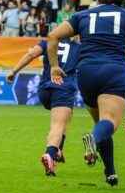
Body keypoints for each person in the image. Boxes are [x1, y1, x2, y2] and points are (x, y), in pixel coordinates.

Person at [46, 0, 125, 187]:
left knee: (101, 123)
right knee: (108, 122)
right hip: (113, 70)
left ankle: (110, 172)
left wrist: (54, 66)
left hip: (86, 73)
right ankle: (92, 139)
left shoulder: (82, 15)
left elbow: (53, 36)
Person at [6, 38, 81, 176]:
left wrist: (14, 71)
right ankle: (50, 154)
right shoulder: (79, 47)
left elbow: (31, 54)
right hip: (63, 87)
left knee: (67, 116)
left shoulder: (49, 41)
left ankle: (59, 149)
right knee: (58, 125)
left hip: (44, 89)